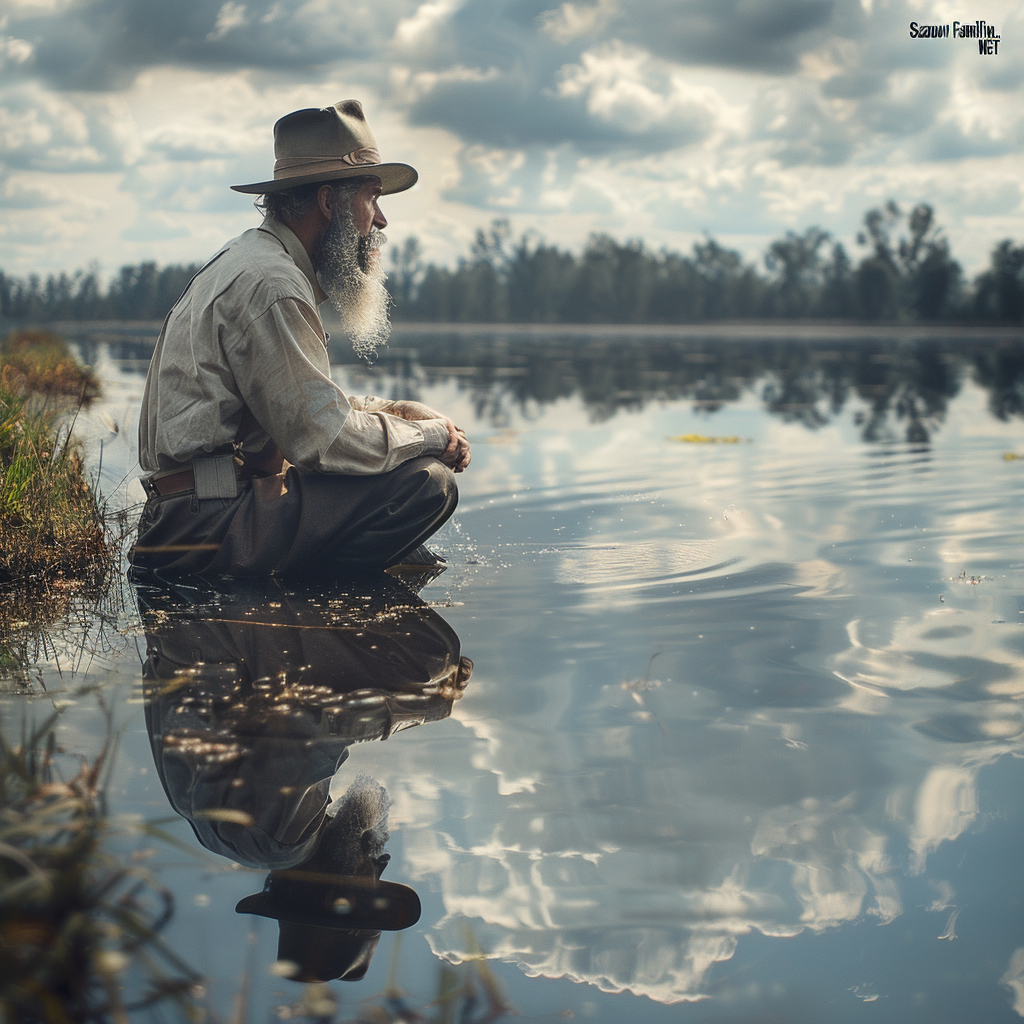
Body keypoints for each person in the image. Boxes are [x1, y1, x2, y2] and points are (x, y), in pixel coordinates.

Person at [130, 100, 470, 577]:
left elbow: (296, 404)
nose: (381, 221)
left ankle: (349, 597)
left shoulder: (254, 260)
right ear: (329, 202)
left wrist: (398, 413)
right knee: (426, 483)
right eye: (372, 198)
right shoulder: (272, 285)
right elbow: (321, 439)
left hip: (194, 515)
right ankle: (312, 604)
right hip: (202, 531)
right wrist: (431, 436)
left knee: (400, 493)